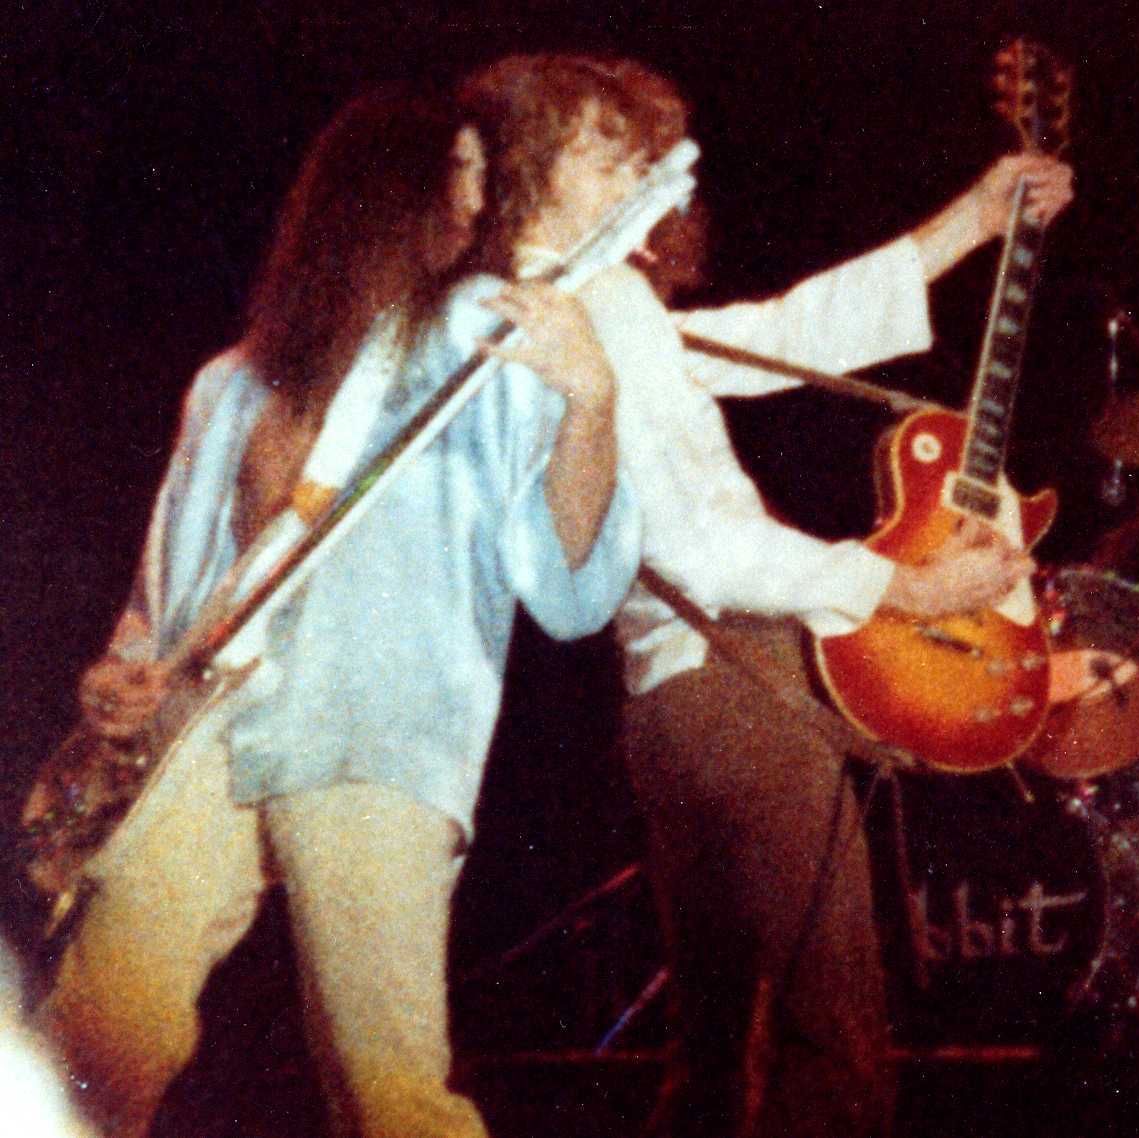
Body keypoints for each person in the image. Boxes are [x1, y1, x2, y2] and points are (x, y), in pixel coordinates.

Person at [461, 54, 1074, 1138]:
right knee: (831, 1044)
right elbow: (708, 545)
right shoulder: (602, 300)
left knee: (713, 1059)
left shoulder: (548, 305)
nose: (644, 178)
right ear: (534, 167)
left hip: (668, 710)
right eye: (609, 152)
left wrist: (972, 223)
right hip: (741, 692)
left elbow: (777, 333)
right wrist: (912, 586)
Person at [32, 85, 642, 1138]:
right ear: (379, 193)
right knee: (97, 1032)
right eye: (459, 172)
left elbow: (568, 586)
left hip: (379, 721)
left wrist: (590, 402)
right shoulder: (228, 386)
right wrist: (121, 672)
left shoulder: (481, 344)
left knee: (385, 1078)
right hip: (208, 722)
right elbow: (162, 597)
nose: (479, 199)